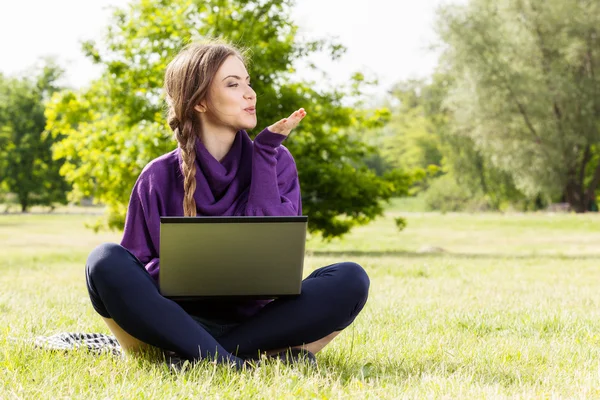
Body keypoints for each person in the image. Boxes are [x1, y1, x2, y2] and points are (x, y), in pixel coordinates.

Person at [85, 40, 370, 370]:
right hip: (173, 322)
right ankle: (236, 363)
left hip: (260, 325)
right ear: (201, 102)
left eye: (248, 82)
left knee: (350, 279)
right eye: (233, 84)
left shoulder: (276, 160)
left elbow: (274, 252)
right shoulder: (158, 175)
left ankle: (203, 357)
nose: (250, 93)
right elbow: (134, 270)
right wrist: (191, 271)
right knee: (104, 260)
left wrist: (265, 153)